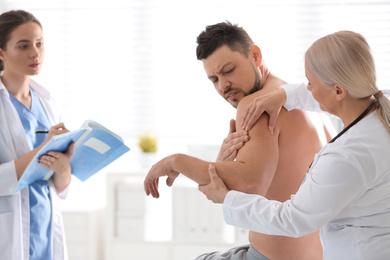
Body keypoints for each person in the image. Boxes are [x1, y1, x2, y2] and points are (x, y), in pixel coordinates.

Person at [144, 21, 335, 259]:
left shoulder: (259, 104)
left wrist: (175, 162)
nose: (223, 85)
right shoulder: (309, 103)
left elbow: (249, 185)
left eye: (228, 70)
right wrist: (225, 166)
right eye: (214, 79)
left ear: (255, 55)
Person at [199, 30, 390, 259]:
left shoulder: (349, 154)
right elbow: (312, 95)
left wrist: (182, 164)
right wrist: (282, 95)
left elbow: (288, 217)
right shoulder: (375, 108)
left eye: (311, 83)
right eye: (213, 79)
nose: (222, 86)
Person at [0, 10, 75, 260]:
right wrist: (42, 149)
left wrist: (64, 170)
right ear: (1, 53)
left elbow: (55, 183)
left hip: (45, 230)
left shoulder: (47, 101)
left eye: (40, 43)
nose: (35, 53)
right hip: (8, 234)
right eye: (23, 46)